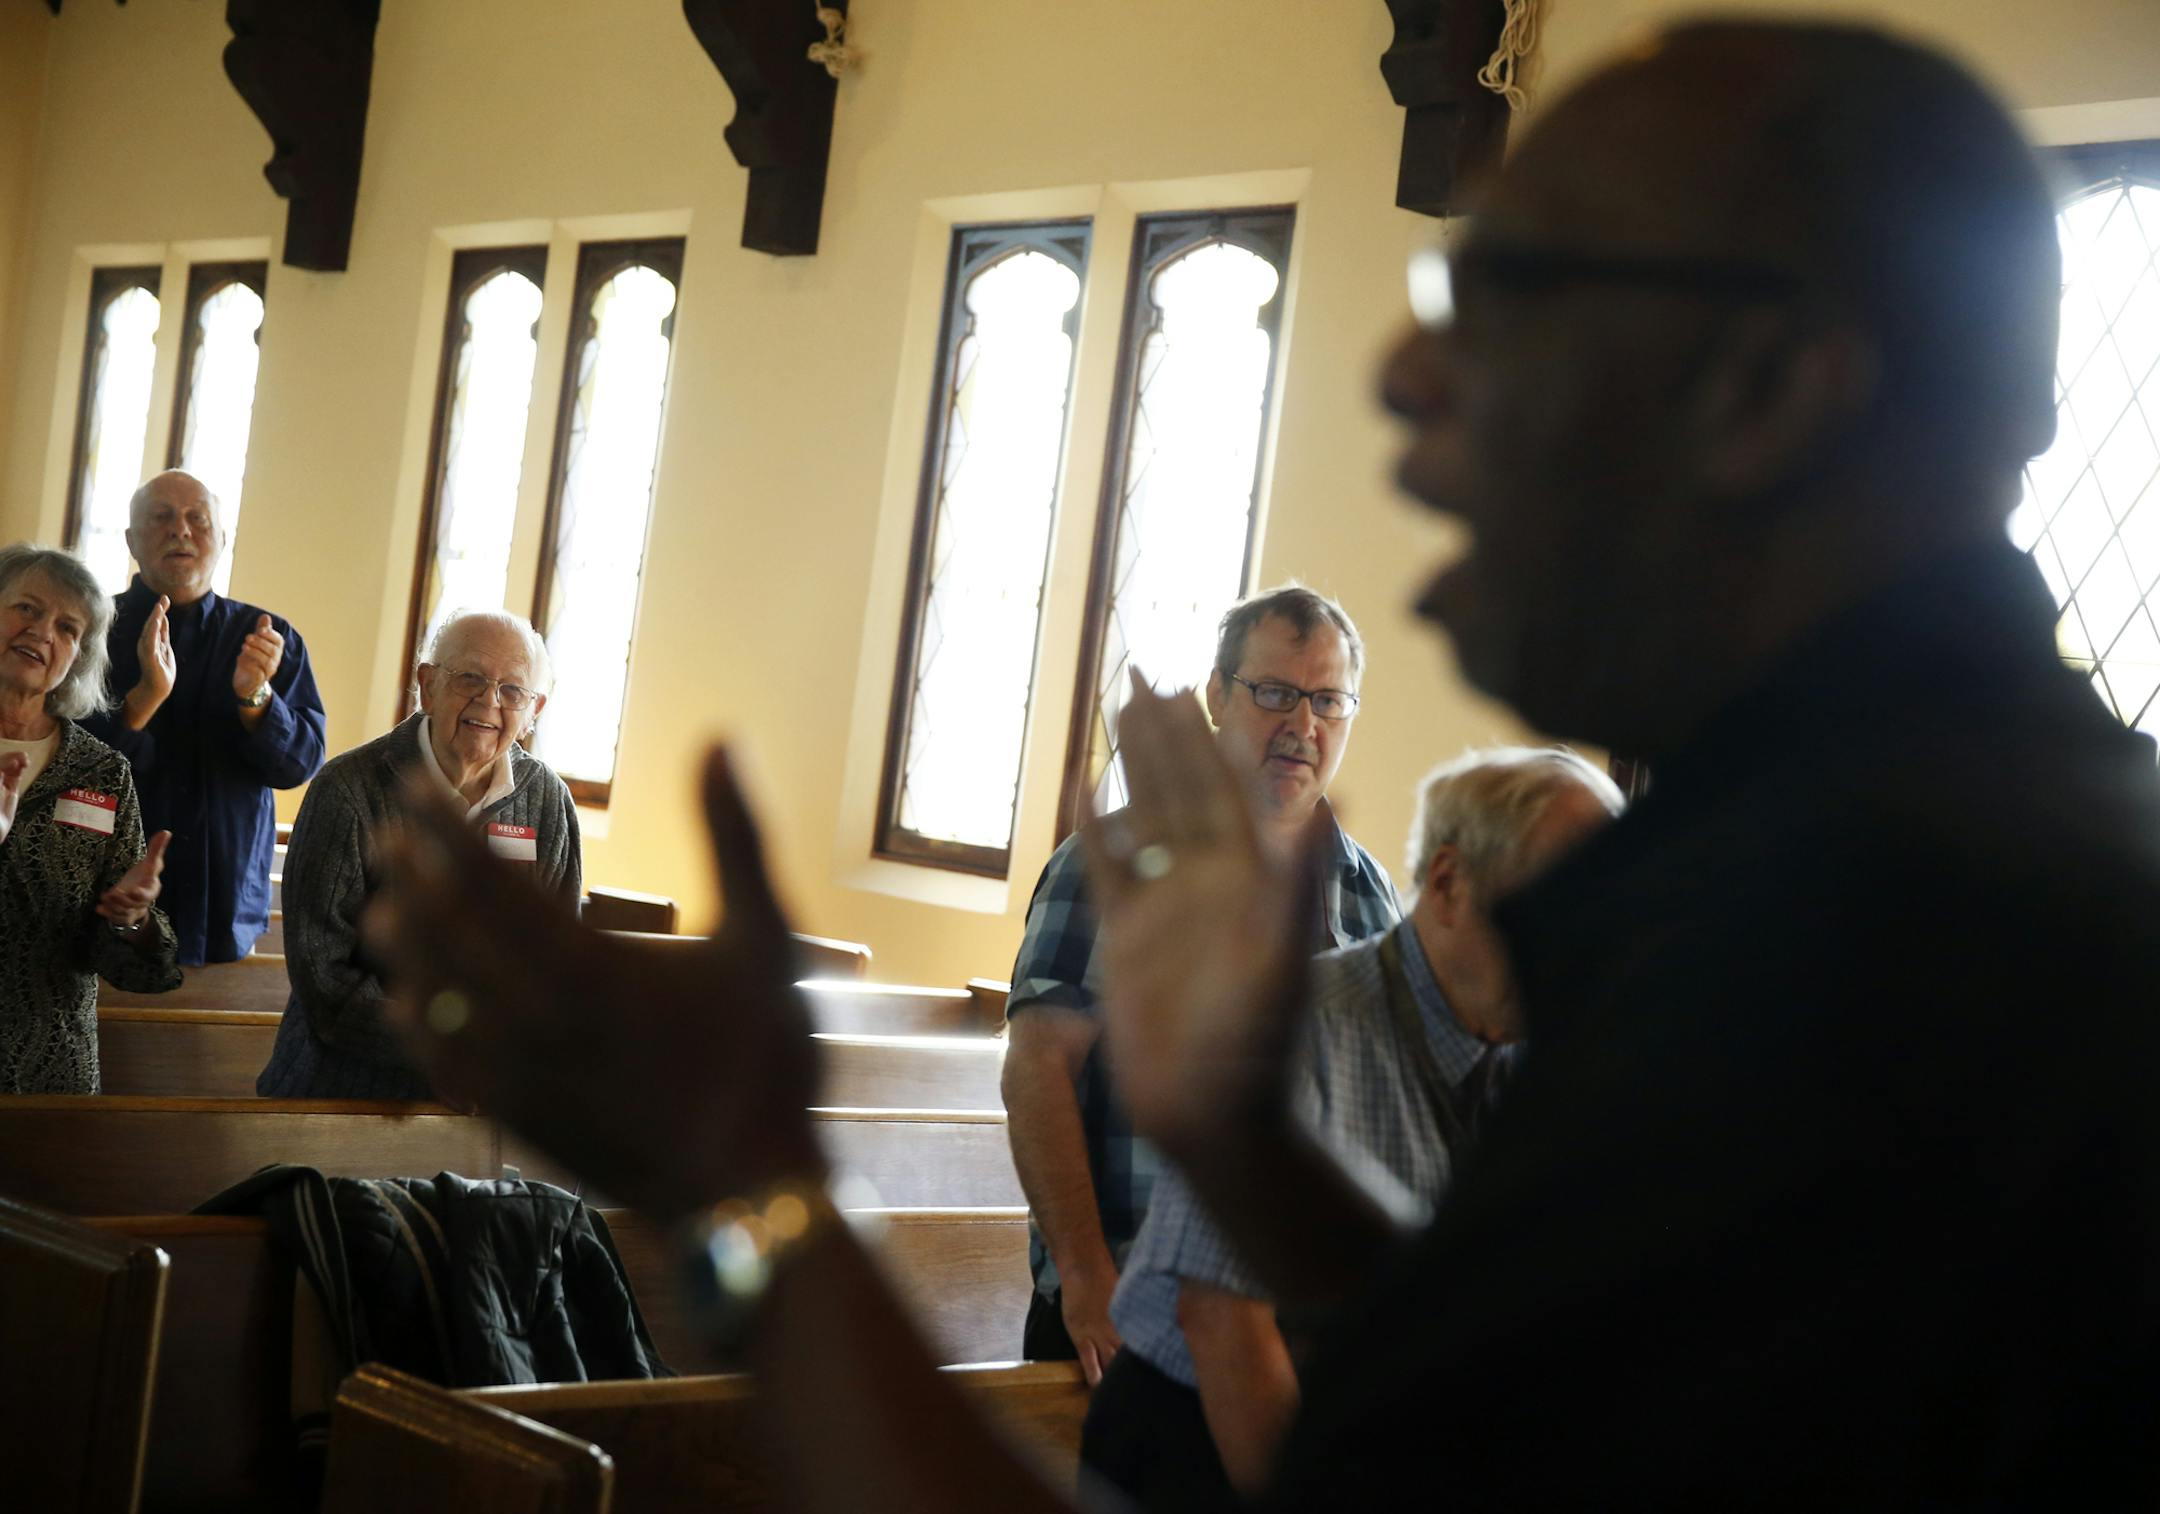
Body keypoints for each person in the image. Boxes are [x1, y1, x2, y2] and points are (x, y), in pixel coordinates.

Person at [356, 18, 2160, 1511]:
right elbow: (1509, 1408)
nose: (1401, 369)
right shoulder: (1899, 828)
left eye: (1508, 292)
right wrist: (1232, 1128)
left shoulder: (1873, 956)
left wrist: (739, 1184)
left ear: (1772, 389)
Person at [1085, 747, 1623, 1508]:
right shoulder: (1304, 1029)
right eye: (1564, 897)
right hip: (1204, 1436)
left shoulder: (1554, 1058)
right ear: (1448, 883)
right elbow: (1222, 1323)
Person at [1002, 584, 1398, 1381]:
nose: (1303, 727)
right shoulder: (1108, 865)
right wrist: (1083, 1277)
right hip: (1124, 1320)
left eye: (1329, 701)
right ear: (1218, 696)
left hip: (1291, 1336)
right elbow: (1037, 1071)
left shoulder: (1368, 892)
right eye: (1277, 693)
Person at [257, 609, 579, 1100]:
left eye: (513, 690)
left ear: (534, 709)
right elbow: (325, 978)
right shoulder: (347, 791)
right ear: (427, 685)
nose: (489, 702)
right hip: (341, 1097)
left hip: (482, 1107)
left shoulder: (549, 803)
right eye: (470, 678)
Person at [81, 470, 327, 966]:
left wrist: (256, 697)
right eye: (162, 518)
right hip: (102, 893)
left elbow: (299, 766)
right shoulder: (90, 631)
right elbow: (71, 765)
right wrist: (144, 699)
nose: (182, 531)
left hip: (225, 903)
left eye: (198, 518)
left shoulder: (267, 636)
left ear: (222, 538)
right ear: (131, 540)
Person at [0, 544, 180, 1094]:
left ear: (78, 656)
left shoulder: (100, 771)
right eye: (27, 609)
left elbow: (134, 968)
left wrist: (132, 918)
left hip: (48, 1071)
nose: (43, 632)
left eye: (68, 627)